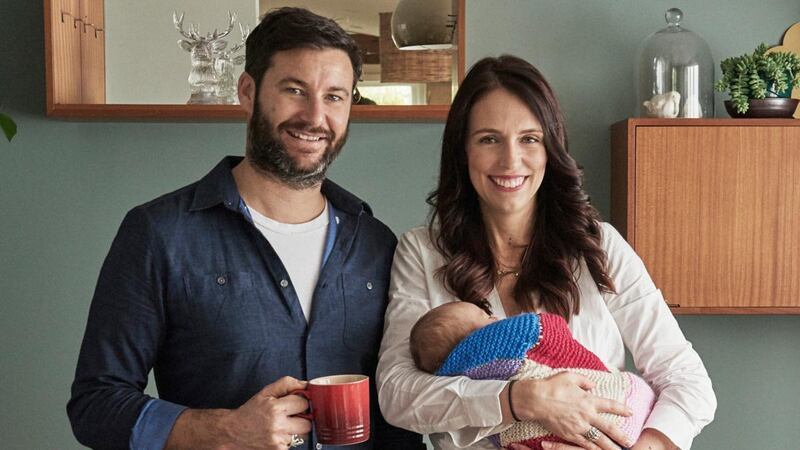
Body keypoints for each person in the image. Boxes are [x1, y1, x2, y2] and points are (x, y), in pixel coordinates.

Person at [67, 7, 424, 450]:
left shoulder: (375, 243)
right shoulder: (159, 233)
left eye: (335, 96)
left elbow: (401, 404)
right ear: (248, 92)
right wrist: (225, 430)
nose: (315, 116)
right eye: (295, 90)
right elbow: (95, 405)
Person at [376, 55, 716, 450]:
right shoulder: (422, 252)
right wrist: (519, 400)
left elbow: (686, 379)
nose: (510, 160)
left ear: (550, 149)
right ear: (462, 151)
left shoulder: (598, 246)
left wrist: (646, 447)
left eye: (529, 139)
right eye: (489, 139)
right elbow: (397, 393)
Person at [410, 301, 656, 450]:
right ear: (470, 341)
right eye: (484, 318)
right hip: (628, 405)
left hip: (633, 429)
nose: (495, 318)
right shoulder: (505, 343)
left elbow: (682, 374)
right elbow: (548, 328)